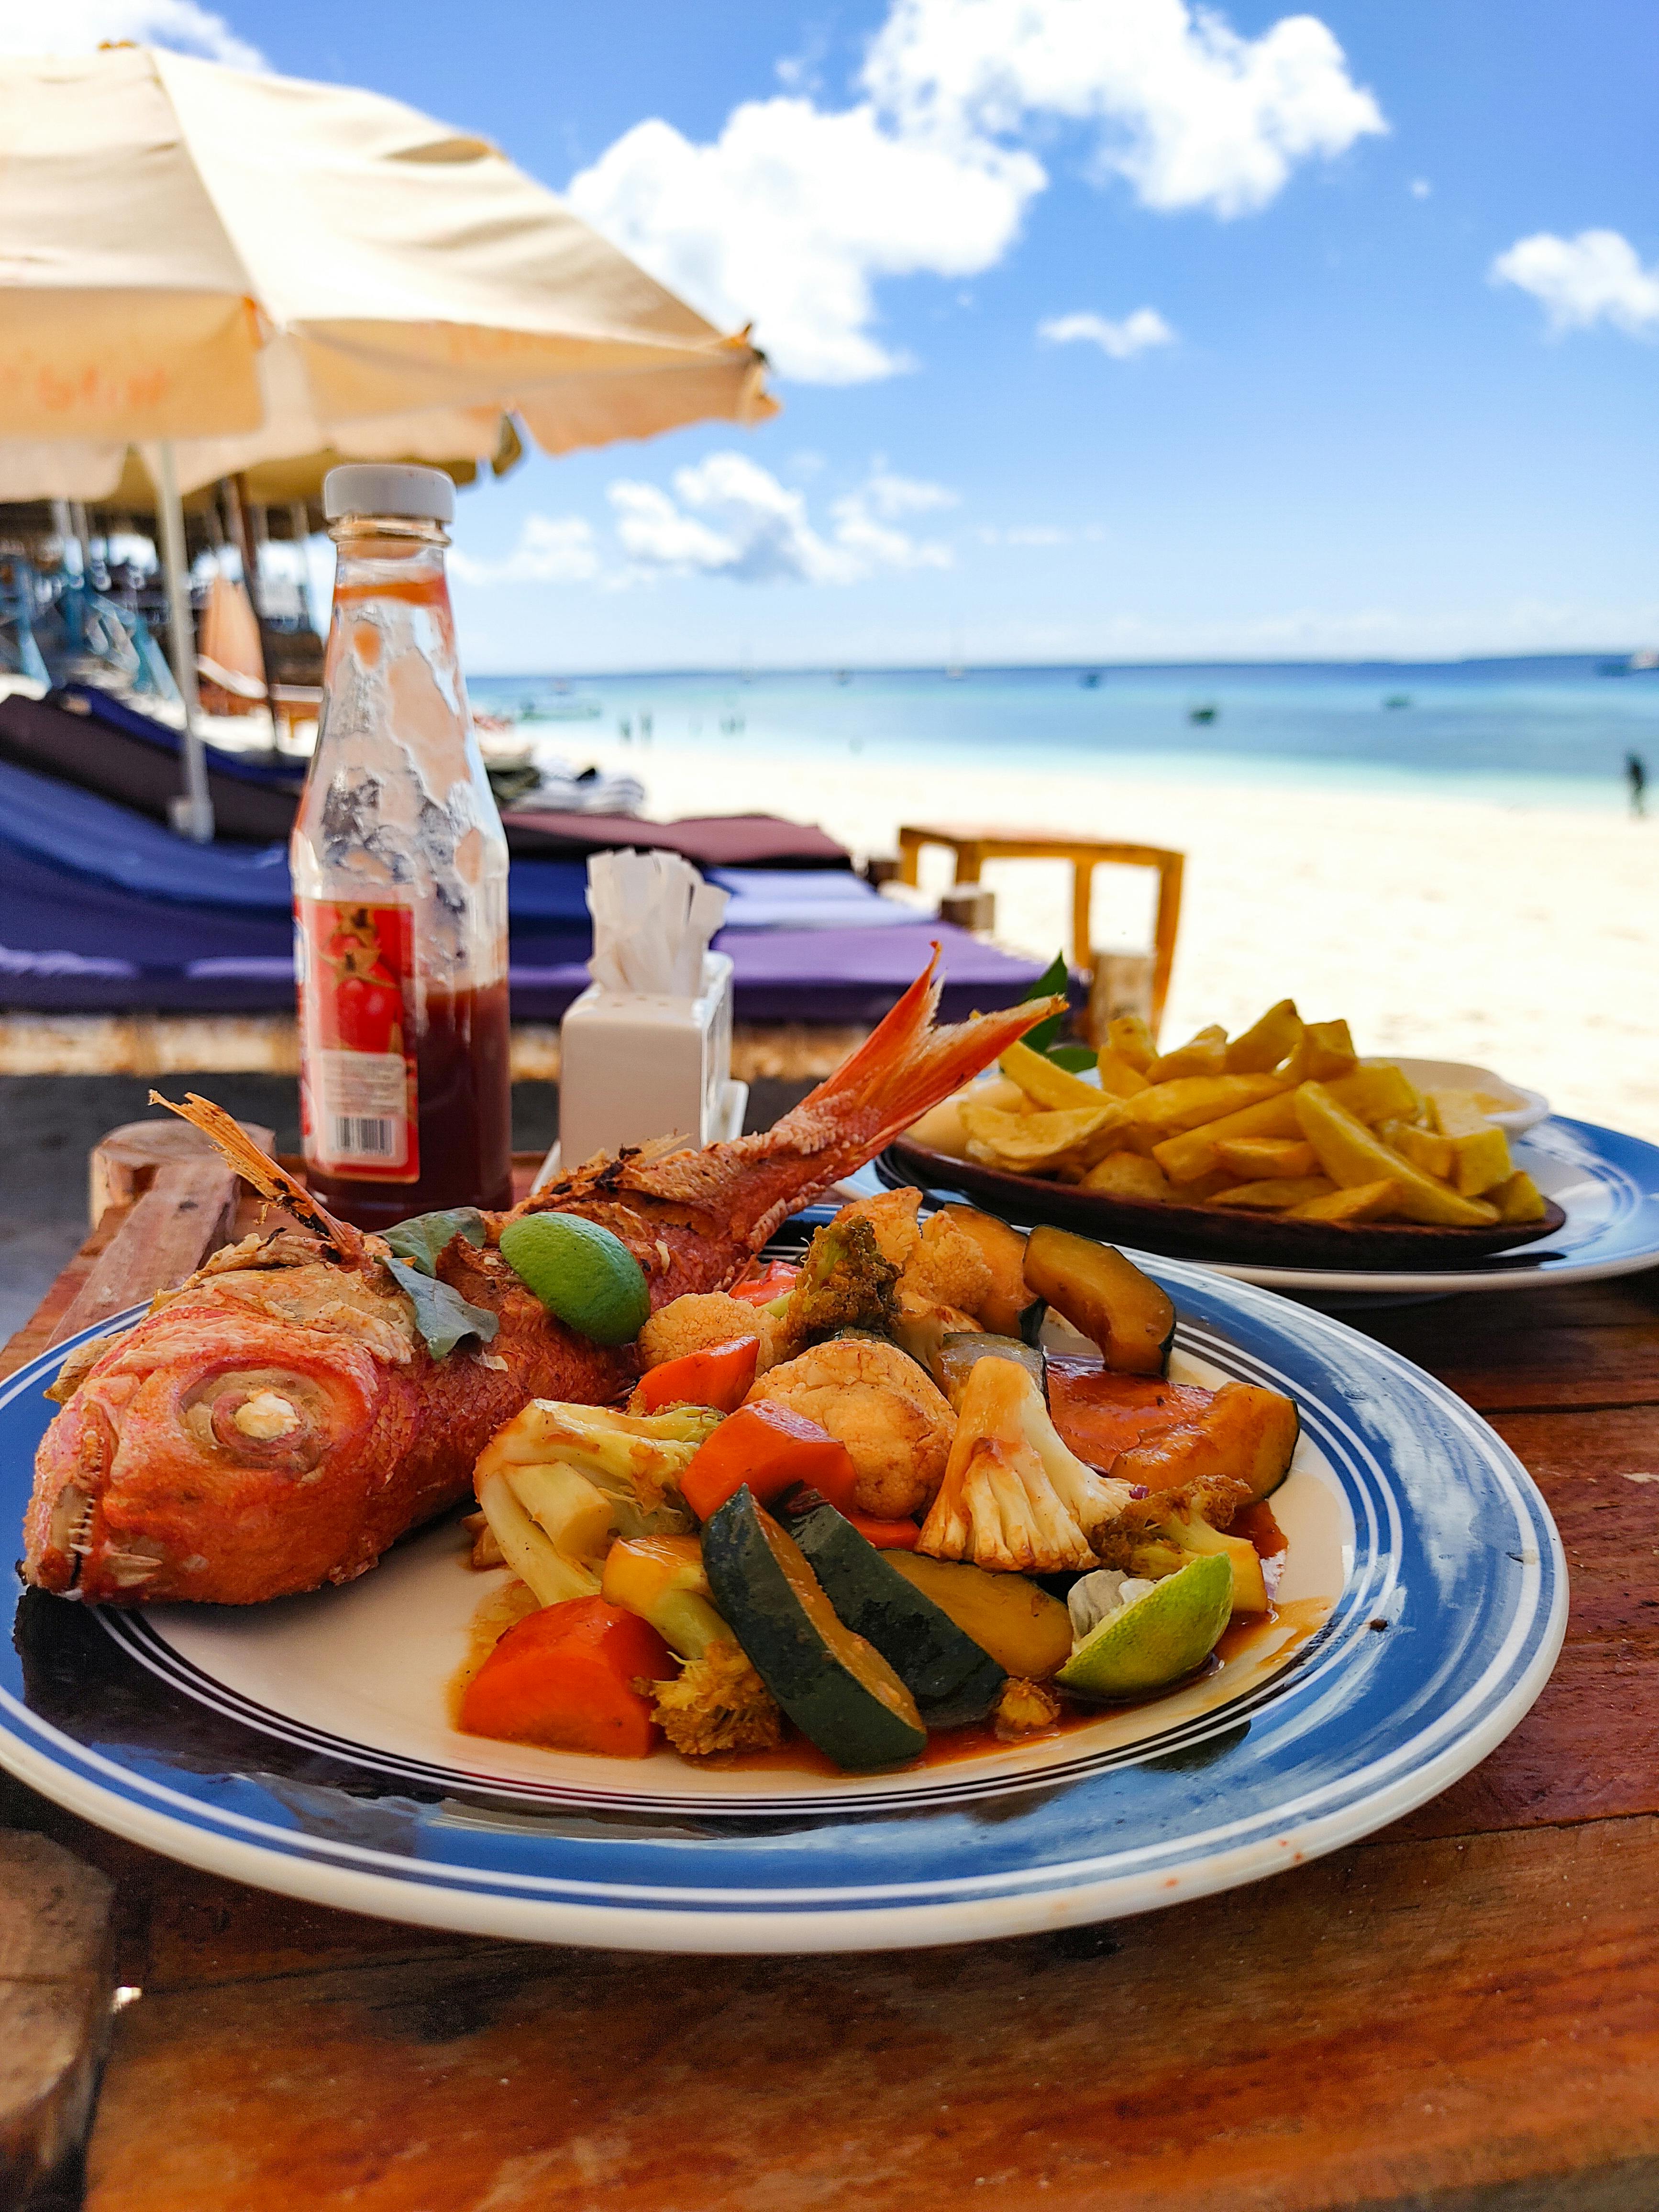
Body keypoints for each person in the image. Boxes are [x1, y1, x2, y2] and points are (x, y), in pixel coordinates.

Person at [1627, 752, 1648, 818]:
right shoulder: (1637, 767)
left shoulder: (1635, 767)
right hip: (1638, 785)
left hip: (1638, 785)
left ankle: (1639, 814)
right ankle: (1639, 814)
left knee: (1636, 799)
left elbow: (1636, 777)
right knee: (1637, 800)